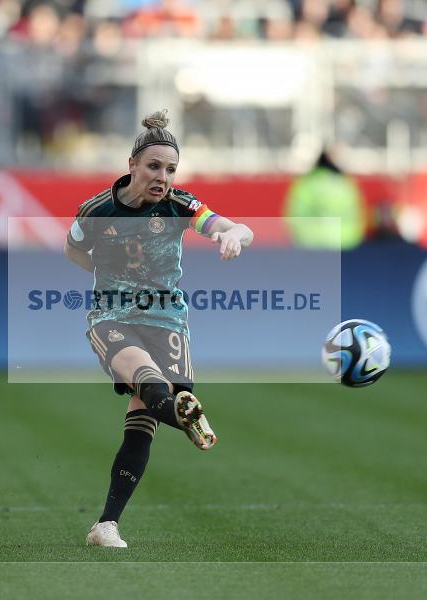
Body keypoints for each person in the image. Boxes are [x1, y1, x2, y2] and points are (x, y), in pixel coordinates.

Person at [64, 110, 254, 548]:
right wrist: (101, 272)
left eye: (170, 169)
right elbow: (73, 247)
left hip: (167, 317)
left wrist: (232, 236)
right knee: (148, 380)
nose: (162, 176)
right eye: (153, 166)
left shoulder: (180, 204)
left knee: (146, 414)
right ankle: (182, 415)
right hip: (111, 315)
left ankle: (104, 524)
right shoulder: (97, 209)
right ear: (132, 165)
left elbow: (233, 227)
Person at [284, 147, 365, 249]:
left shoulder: (307, 184)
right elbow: (357, 213)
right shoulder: (346, 184)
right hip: (346, 242)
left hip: (312, 243)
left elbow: (295, 215)